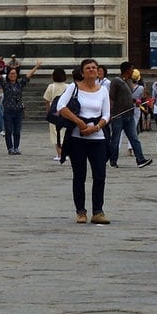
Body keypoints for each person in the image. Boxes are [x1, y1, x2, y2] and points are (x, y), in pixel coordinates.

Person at [57, 59, 114, 224]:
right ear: (82, 72)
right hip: (77, 139)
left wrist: (95, 128)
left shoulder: (103, 90)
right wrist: (79, 122)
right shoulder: (73, 88)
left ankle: (98, 211)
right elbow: (61, 107)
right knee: (79, 175)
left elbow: (106, 115)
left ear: (98, 71)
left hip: (98, 139)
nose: (92, 70)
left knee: (99, 175)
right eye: (88, 68)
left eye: (94, 68)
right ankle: (80, 211)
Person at [0, 67, 24, 155]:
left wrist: (36, 67)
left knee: (17, 130)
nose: (13, 75)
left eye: (14, 73)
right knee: (8, 130)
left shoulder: (19, 84)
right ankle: (10, 148)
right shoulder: (5, 84)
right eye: (11, 74)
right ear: (8, 75)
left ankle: (16, 147)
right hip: (8, 110)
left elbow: (27, 77)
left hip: (18, 110)